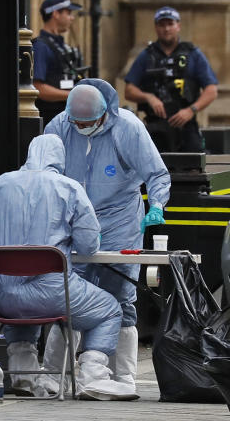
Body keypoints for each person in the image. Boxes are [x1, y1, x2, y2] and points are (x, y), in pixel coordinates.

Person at [43, 80, 171, 395]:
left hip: (120, 220)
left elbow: (156, 173)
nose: (81, 128)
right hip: (75, 222)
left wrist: (156, 205)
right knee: (69, 296)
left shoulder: (127, 128)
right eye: (78, 123)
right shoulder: (60, 126)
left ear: (104, 115)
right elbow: (43, 170)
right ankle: (53, 374)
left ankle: (124, 376)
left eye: (88, 123)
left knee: (121, 296)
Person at [0, 134, 134, 400]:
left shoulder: (0, 184)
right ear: (59, 158)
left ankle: (24, 376)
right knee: (109, 309)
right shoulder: (68, 187)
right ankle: (93, 377)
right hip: (51, 291)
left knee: (19, 301)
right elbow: (88, 245)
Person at [123, 6, 218, 152]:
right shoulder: (147, 55)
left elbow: (211, 90)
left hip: (185, 126)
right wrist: (149, 97)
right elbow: (129, 90)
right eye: (161, 25)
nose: (166, 29)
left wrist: (191, 110)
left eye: (170, 24)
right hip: (155, 128)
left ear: (178, 26)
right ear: (156, 27)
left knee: (194, 167)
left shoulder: (193, 54)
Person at [33, 0, 87, 125]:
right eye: (68, 13)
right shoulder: (41, 47)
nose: (72, 18)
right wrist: (72, 95)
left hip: (67, 117)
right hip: (50, 119)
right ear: (56, 14)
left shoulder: (63, 46)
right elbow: (37, 88)